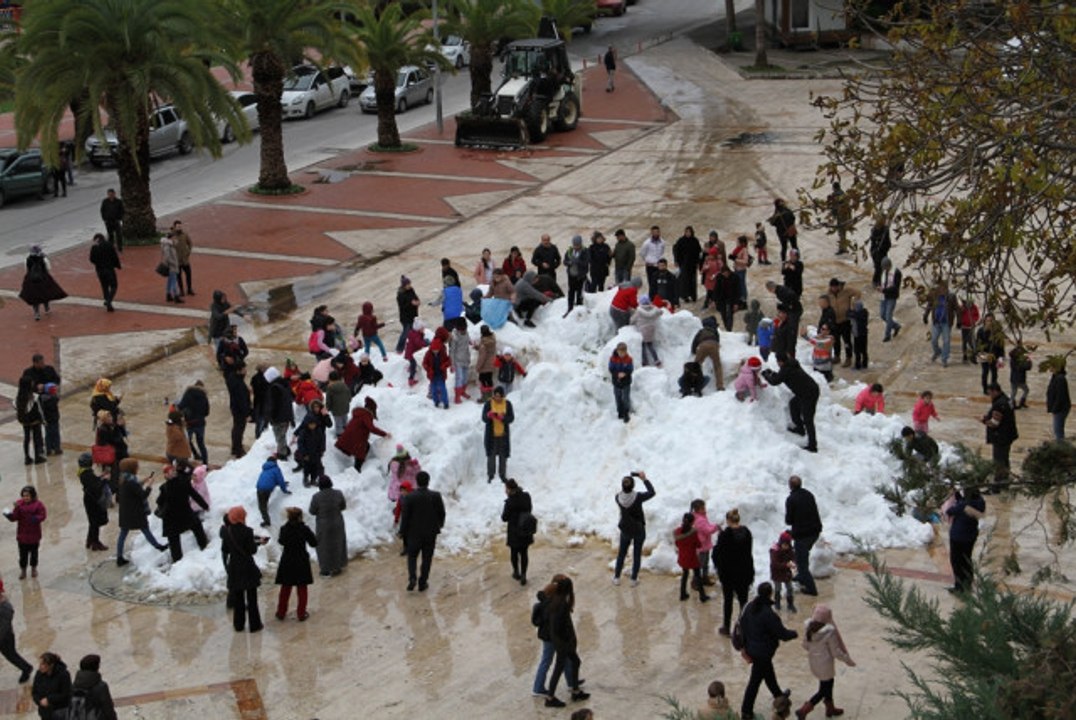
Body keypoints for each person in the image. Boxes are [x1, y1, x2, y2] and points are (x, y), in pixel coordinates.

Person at [739, 582, 797, 720]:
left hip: (752, 649)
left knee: (768, 675)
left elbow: (742, 625)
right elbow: (782, 634)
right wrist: (794, 633)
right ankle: (746, 711)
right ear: (770, 594)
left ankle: (779, 696)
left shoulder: (748, 607)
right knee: (755, 681)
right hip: (763, 653)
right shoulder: (768, 614)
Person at [796, 605, 856, 719]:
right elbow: (836, 652)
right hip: (826, 665)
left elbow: (804, 645)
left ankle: (830, 708)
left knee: (826, 684)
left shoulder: (809, 629)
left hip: (814, 662)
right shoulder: (829, 633)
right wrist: (847, 660)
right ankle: (804, 710)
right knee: (824, 689)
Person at [544, 575, 590, 708]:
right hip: (563, 642)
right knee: (561, 667)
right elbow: (560, 626)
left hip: (559, 640)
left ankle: (574, 691)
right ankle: (551, 697)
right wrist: (568, 639)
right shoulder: (562, 604)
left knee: (572, 662)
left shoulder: (553, 599)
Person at [220, 506, 266, 632]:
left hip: (234, 567)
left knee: (238, 598)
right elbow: (252, 550)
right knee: (252, 598)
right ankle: (254, 624)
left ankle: (238, 625)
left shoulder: (227, 532)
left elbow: (225, 549)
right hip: (247, 566)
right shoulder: (247, 531)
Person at [762, 354, 820, 453]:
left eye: (777, 361)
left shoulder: (786, 369)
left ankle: (812, 446)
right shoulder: (790, 364)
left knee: (808, 419)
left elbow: (775, 381)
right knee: (793, 405)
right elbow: (781, 377)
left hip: (809, 394)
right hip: (805, 391)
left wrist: (765, 375)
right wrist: (771, 373)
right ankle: (800, 428)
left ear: (780, 362)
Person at [399, 471, 446, 592]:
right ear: (428, 481)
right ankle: (422, 582)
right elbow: (442, 513)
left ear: (417, 482)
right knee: (427, 558)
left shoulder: (410, 497)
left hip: (413, 533)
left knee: (412, 556)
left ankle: (412, 578)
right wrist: (439, 525)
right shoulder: (435, 496)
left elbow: (405, 516)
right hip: (430, 533)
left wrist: (402, 531)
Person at [115, 459, 168, 565]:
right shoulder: (131, 482)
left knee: (123, 533)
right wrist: (149, 486)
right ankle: (158, 546)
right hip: (135, 512)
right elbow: (143, 495)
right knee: (145, 528)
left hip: (126, 512)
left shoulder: (124, 479)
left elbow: (134, 487)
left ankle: (119, 557)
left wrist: (143, 481)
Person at [159, 461, 210, 562]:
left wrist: (161, 511)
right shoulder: (183, 482)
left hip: (171, 517)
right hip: (185, 512)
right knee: (197, 526)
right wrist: (205, 505)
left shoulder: (164, 488)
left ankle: (177, 560)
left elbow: (160, 502)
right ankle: (204, 546)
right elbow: (194, 494)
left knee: (174, 539)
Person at [714, 508, 754, 635]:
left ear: (728, 520)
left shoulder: (725, 535)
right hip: (744, 572)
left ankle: (726, 627)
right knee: (743, 601)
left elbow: (717, 555)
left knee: (728, 600)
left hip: (728, 575)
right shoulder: (747, 532)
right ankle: (744, 627)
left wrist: (719, 569)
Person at [612, 471, 655, 586]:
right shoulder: (638, 497)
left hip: (625, 529)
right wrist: (644, 479)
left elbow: (623, 493)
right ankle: (633, 579)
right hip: (638, 529)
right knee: (636, 554)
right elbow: (652, 492)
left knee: (622, 553)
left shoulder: (618, 498)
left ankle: (617, 577)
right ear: (633, 486)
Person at [275, 507, 318, 621]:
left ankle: (281, 612)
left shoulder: (284, 529)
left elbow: (281, 541)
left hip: (287, 560)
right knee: (302, 588)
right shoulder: (304, 529)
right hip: (301, 560)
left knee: (285, 588)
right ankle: (301, 613)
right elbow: (314, 543)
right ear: (300, 517)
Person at [785, 475, 822, 597]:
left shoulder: (791, 499)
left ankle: (811, 588)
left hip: (802, 535)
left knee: (801, 562)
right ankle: (801, 576)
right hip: (814, 532)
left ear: (790, 485)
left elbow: (789, 520)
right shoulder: (808, 494)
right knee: (802, 555)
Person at [945, 487, 985, 593]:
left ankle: (959, 587)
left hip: (958, 537)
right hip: (970, 536)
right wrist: (958, 495)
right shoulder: (979, 502)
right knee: (967, 560)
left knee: (957, 562)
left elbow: (950, 511)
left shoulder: (963, 506)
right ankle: (968, 583)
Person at [335, 397, 389, 472]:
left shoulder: (360, 413)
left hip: (351, 436)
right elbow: (371, 428)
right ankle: (357, 470)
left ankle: (359, 467)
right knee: (361, 452)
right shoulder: (366, 415)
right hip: (357, 439)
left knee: (366, 446)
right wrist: (385, 434)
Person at [982, 382, 1018, 490]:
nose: (990, 396)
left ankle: (997, 487)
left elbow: (994, 423)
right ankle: (1005, 483)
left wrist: (984, 420)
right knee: (1005, 459)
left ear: (995, 391)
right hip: (1008, 435)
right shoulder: (1006, 400)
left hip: (1000, 437)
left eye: (990, 393)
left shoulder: (999, 404)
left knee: (998, 461)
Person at [309, 475, 348, 577]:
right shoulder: (338, 493)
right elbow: (343, 506)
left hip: (323, 525)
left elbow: (312, 511)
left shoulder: (316, 497)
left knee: (324, 546)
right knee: (338, 543)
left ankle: (326, 569)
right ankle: (338, 566)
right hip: (337, 522)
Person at [5, 486, 46, 579]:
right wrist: (9, 515)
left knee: (34, 554)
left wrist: (35, 518)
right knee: (22, 555)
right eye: (24, 496)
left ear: (32, 495)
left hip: (34, 535)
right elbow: (15, 517)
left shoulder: (38, 505)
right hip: (22, 536)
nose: (25, 498)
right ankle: (23, 570)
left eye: (27, 496)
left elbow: (43, 515)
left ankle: (33, 568)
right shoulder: (19, 504)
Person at [19, 245, 67, 321]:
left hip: (31, 280)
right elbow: (48, 268)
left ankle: (36, 313)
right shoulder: (44, 259)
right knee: (45, 294)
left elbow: (26, 270)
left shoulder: (27, 260)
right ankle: (47, 308)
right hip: (43, 278)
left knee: (34, 297)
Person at [502, 479, 534, 585]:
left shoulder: (509, 502)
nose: (505, 491)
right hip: (526, 529)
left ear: (510, 489)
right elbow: (530, 509)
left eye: (506, 489)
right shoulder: (526, 496)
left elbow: (504, 518)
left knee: (514, 553)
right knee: (524, 553)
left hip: (514, 532)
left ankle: (516, 572)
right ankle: (524, 574)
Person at [294, 400, 332, 487]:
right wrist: (296, 433)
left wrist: (325, 415)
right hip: (308, 442)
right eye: (314, 407)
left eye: (318, 407)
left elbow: (330, 424)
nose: (316, 409)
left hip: (318, 439)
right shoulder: (309, 417)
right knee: (308, 465)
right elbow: (302, 426)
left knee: (317, 464)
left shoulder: (323, 415)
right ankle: (306, 477)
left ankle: (314, 479)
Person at [0, 584, 34, 683]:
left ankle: (26, 668)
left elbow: (4, 628)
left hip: (5, 637)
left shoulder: (5, 608)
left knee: (10, 654)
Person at [78, 453, 110, 551]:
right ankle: (95, 543)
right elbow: (95, 487)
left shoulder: (83, 472)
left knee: (92, 522)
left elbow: (94, 482)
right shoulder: (87, 474)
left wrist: (101, 477)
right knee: (95, 522)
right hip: (93, 500)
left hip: (89, 498)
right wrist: (105, 480)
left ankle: (90, 540)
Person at [482, 386, 514, 483]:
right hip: (491, 435)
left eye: (499, 396)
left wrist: (503, 418)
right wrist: (489, 416)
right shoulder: (488, 404)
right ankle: (491, 475)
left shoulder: (507, 404)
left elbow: (511, 418)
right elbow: (483, 418)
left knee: (503, 455)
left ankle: (502, 474)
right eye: (495, 396)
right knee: (491, 455)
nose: (497, 398)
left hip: (503, 435)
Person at [674, 513, 709, 602]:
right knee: (697, 576)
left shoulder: (677, 531)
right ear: (692, 522)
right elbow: (698, 545)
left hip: (682, 558)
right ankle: (702, 596)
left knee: (685, 575)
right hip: (692, 558)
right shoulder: (693, 533)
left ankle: (682, 594)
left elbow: (677, 544)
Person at [827, 278, 860, 368]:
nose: (834, 288)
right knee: (835, 340)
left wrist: (854, 303)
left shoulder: (846, 291)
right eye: (832, 287)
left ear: (838, 286)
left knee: (847, 340)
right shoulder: (828, 294)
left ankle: (848, 357)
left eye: (835, 287)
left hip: (845, 320)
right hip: (834, 321)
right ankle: (837, 356)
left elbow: (858, 293)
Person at [176, 379, 210, 463]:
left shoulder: (188, 393)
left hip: (189, 423)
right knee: (201, 443)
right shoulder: (204, 396)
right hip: (200, 424)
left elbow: (180, 407)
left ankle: (187, 460)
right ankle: (205, 463)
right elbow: (207, 412)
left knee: (187, 442)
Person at [924, 281, 957, 367]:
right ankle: (937, 351)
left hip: (946, 322)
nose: (941, 290)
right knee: (934, 340)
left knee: (946, 341)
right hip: (937, 322)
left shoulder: (951, 297)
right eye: (940, 288)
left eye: (943, 288)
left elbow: (956, 308)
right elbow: (929, 305)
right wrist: (925, 315)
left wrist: (959, 321)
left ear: (946, 288)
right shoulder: (935, 296)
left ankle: (944, 359)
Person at [15, 373, 46, 465]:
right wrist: (43, 420)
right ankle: (38, 457)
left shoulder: (19, 397)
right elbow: (39, 410)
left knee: (27, 438)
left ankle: (27, 457)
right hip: (34, 421)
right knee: (36, 438)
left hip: (24, 422)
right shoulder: (34, 397)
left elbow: (16, 407)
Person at [31, 651, 72, 719]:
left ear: (51, 665)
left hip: (59, 711)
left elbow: (66, 694)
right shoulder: (39, 674)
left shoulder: (63, 675)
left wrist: (49, 699)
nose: (40, 666)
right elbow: (34, 692)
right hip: (44, 711)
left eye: (43, 664)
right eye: (40, 664)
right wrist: (39, 702)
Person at [88, 232, 121, 312]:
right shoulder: (109, 245)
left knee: (104, 285)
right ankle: (109, 301)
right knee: (114, 285)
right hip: (109, 269)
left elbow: (91, 259)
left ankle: (106, 300)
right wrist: (117, 265)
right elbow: (114, 256)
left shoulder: (94, 247)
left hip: (99, 270)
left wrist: (97, 263)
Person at [256, 454, 291, 527]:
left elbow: (272, 479)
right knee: (263, 506)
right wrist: (285, 490)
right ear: (275, 462)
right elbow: (280, 480)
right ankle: (267, 522)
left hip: (259, 488)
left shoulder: (265, 469)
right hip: (266, 489)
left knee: (262, 505)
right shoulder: (276, 469)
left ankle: (265, 514)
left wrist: (282, 483)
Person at [691, 316, 724, 391]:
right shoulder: (714, 330)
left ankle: (694, 384)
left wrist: (693, 351)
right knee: (717, 365)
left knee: (696, 365)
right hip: (713, 344)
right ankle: (720, 386)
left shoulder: (701, 331)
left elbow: (695, 341)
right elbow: (717, 339)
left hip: (702, 345)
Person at [226, 362, 252, 457]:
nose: (246, 371)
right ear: (239, 370)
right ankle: (238, 449)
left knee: (236, 428)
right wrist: (247, 414)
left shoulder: (233, 378)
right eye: (244, 369)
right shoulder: (238, 384)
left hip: (235, 408)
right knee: (239, 429)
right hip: (239, 410)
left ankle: (235, 447)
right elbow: (242, 401)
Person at [422, 326, 452, 409]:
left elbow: (448, 360)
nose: (436, 352)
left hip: (441, 374)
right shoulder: (428, 354)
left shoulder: (442, 351)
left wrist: (445, 365)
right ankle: (436, 402)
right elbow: (424, 363)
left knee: (443, 389)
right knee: (434, 390)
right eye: (434, 350)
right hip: (433, 375)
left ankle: (445, 403)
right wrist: (429, 369)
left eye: (437, 350)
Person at [976, 314, 1005, 395]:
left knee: (994, 373)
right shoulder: (981, 331)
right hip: (984, 354)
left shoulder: (997, 332)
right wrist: (979, 354)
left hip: (995, 354)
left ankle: (993, 388)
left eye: (991, 321)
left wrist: (1001, 358)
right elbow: (978, 344)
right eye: (987, 321)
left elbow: (1001, 346)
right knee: (985, 372)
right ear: (984, 321)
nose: (989, 323)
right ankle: (985, 389)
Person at [672, 226, 703, 303]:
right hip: (684, 264)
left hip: (692, 264)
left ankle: (693, 296)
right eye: (686, 232)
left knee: (693, 281)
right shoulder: (681, 241)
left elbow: (699, 252)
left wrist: (698, 263)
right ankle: (685, 296)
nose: (688, 233)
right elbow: (676, 250)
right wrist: (676, 261)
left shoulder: (695, 241)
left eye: (689, 232)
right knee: (684, 281)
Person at [631, 295, 663, 367]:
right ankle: (656, 360)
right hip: (651, 330)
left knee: (643, 346)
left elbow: (632, 320)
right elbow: (661, 312)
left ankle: (645, 362)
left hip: (642, 331)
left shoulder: (639, 311)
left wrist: (630, 322)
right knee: (650, 345)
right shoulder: (654, 309)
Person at [769, 531, 796, 612]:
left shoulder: (790, 550)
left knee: (790, 588)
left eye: (787, 545)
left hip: (786, 573)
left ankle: (790, 604)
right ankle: (777, 603)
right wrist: (786, 565)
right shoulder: (775, 551)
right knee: (778, 588)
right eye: (785, 545)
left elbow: (793, 557)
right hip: (777, 573)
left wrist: (793, 563)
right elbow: (775, 564)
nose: (786, 547)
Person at [395, 276, 421, 353]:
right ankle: (399, 348)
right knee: (406, 333)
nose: (409, 285)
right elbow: (402, 306)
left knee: (414, 332)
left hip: (413, 316)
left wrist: (417, 302)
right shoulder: (400, 295)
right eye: (407, 284)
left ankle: (414, 346)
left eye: (409, 284)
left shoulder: (411, 290)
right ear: (404, 285)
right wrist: (411, 303)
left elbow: (415, 297)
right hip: (405, 317)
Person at [609, 342, 634, 422]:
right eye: (620, 353)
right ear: (617, 351)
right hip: (616, 381)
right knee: (618, 397)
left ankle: (626, 413)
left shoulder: (629, 359)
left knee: (625, 398)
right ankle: (620, 412)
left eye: (623, 353)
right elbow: (611, 369)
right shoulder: (613, 358)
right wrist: (617, 374)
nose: (622, 354)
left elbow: (630, 369)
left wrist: (625, 374)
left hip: (626, 381)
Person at [1046, 359, 1071, 441]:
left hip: (1060, 409)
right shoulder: (1055, 376)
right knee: (1058, 431)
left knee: (1058, 432)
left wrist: (1055, 409)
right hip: (1058, 408)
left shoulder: (1060, 379)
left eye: (1051, 366)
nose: (1049, 368)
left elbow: (1060, 396)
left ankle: (1061, 449)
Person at [878, 257, 902, 341]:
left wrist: (884, 290)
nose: (885, 269)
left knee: (888, 316)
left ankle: (887, 335)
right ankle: (896, 326)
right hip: (883, 296)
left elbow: (896, 287)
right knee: (882, 315)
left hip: (891, 297)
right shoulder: (884, 272)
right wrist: (880, 287)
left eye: (886, 267)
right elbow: (882, 282)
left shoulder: (896, 272)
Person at [449, 321, 472, 404]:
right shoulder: (454, 338)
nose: (463, 331)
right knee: (459, 378)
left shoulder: (466, 333)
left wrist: (471, 342)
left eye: (464, 329)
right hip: (458, 361)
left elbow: (468, 340)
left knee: (465, 377)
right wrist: (452, 364)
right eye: (462, 330)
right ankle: (457, 396)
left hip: (466, 359)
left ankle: (463, 391)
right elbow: (452, 351)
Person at [768, 198, 798, 262]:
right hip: (789, 230)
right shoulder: (787, 210)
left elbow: (773, 223)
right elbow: (793, 218)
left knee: (785, 247)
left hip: (782, 233)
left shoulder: (777, 213)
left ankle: (784, 259)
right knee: (793, 246)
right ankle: (795, 257)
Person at [171, 220, 194, 297]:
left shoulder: (185, 234)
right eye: (178, 226)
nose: (179, 227)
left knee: (189, 275)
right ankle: (181, 291)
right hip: (177, 261)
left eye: (180, 226)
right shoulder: (172, 236)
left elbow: (190, 243)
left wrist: (188, 252)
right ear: (174, 227)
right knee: (179, 277)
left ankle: (189, 289)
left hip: (185, 260)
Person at [827, 181, 852, 255]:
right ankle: (843, 247)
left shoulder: (835, 195)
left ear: (834, 188)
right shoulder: (843, 194)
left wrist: (833, 212)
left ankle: (842, 248)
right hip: (845, 215)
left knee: (841, 232)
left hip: (840, 216)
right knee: (843, 232)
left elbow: (834, 206)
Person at [640, 225, 665, 297]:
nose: (656, 234)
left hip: (658, 266)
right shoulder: (647, 243)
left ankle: (659, 297)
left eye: (657, 232)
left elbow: (662, 251)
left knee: (659, 283)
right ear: (651, 233)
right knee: (651, 283)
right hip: (650, 266)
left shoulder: (662, 242)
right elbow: (642, 253)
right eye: (654, 232)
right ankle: (651, 297)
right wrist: (648, 260)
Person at [868, 217, 891, 288]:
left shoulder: (885, 229)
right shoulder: (874, 230)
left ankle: (879, 282)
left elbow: (887, 240)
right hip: (876, 251)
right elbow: (873, 240)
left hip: (883, 250)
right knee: (878, 267)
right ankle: (875, 281)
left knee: (882, 267)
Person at [160, 231, 182, 303]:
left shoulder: (170, 245)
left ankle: (168, 294)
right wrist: (174, 263)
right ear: (171, 237)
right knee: (174, 282)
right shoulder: (168, 246)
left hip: (171, 266)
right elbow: (167, 257)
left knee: (170, 281)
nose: (175, 239)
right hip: (171, 267)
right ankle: (176, 296)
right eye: (174, 237)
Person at [957, 296, 980, 364]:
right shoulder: (963, 307)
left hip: (971, 327)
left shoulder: (974, 307)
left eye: (971, 302)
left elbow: (977, 315)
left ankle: (974, 354)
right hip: (964, 327)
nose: (970, 304)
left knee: (971, 341)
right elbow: (959, 314)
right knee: (964, 342)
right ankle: (965, 355)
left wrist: (974, 320)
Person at [1009, 342, 1032, 410]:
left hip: (1013, 378)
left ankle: (1012, 404)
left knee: (1014, 391)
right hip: (1020, 379)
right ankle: (1022, 401)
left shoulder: (1012, 359)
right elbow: (1027, 367)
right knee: (1026, 390)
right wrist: (1029, 361)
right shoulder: (1021, 360)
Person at [849, 299, 869, 369]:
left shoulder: (863, 313)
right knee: (857, 350)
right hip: (856, 335)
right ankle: (860, 364)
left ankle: (861, 365)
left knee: (861, 350)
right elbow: (848, 314)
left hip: (862, 334)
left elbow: (855, 315)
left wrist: (852, 311)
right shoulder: (855, 313)